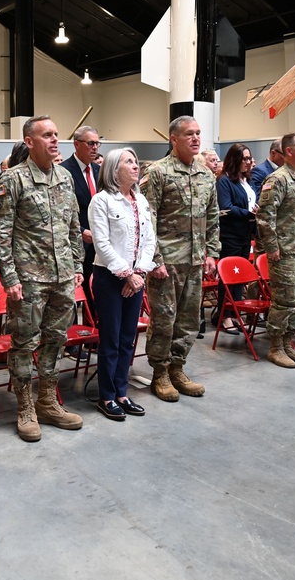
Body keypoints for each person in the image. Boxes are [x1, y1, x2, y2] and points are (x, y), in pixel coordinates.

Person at [0, 115, 85, 442]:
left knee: (56, 340)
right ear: (29, 141)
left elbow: (74, 225)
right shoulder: (11, 180)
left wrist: (77, 265)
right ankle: (25, 406)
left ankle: (47, 400)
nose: (55, 140)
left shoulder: (65, 177)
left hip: (61, 277)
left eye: (57, 134)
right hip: (28, 279)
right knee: (23, 343)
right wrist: (9, 277)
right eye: (47, 135)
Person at [141, 116, 220, 401]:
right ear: (174, 139)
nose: (196, 138)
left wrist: (212, 252)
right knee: (164, 319)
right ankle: (159, 372)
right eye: (189, 134)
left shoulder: (206, 174)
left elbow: (212, 217)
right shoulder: (158, 172)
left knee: (188, 321)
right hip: (167, 261)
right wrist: (155, 260)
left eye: (198, 133)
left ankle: (177, 367)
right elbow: (146, 219)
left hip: (196, 259)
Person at [88, 147, 155, 420]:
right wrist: (126, 274)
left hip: (136, 277)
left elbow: (149, 239)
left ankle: (122, 393)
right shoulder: (101, 200)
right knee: (111, 339)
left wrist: (138, 273)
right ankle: (106, 396)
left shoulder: (141, 200)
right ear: (114, 170)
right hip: (109, 277)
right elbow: (101, 243)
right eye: (129, 161)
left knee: (128, 339)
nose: (135, 166)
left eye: (136, 161)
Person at [256, 131, 295, 368]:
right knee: (285, 302)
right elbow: (264, 216)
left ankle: (287, 344)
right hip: (285, 252)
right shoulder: (277, 180)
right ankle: (275, 347)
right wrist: (271, 247)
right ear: (289, 151)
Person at [213, 143, 258, 334]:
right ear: (235, 160)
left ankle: (233, 312)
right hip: (231, 234)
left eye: (249, 158)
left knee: (240, 278)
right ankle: (224, 316)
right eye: (245, 159)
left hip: (245, 233)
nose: (248, 162)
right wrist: (248, 213)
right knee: (229, 277)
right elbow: (226, 206)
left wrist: (255, 211)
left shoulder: (246, 180)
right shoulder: (224, 181)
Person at [61, 125, 101, 316]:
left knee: (96, 293)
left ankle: (93, 334)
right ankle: (73, 342)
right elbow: (63, 211)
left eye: (97, 143)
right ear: (77, 144)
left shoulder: (99, 171)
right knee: (75, 295)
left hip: (100, 243)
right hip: (76, 243)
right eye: (91, 143)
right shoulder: (63, 171)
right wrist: (81, 230)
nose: (95, 147)